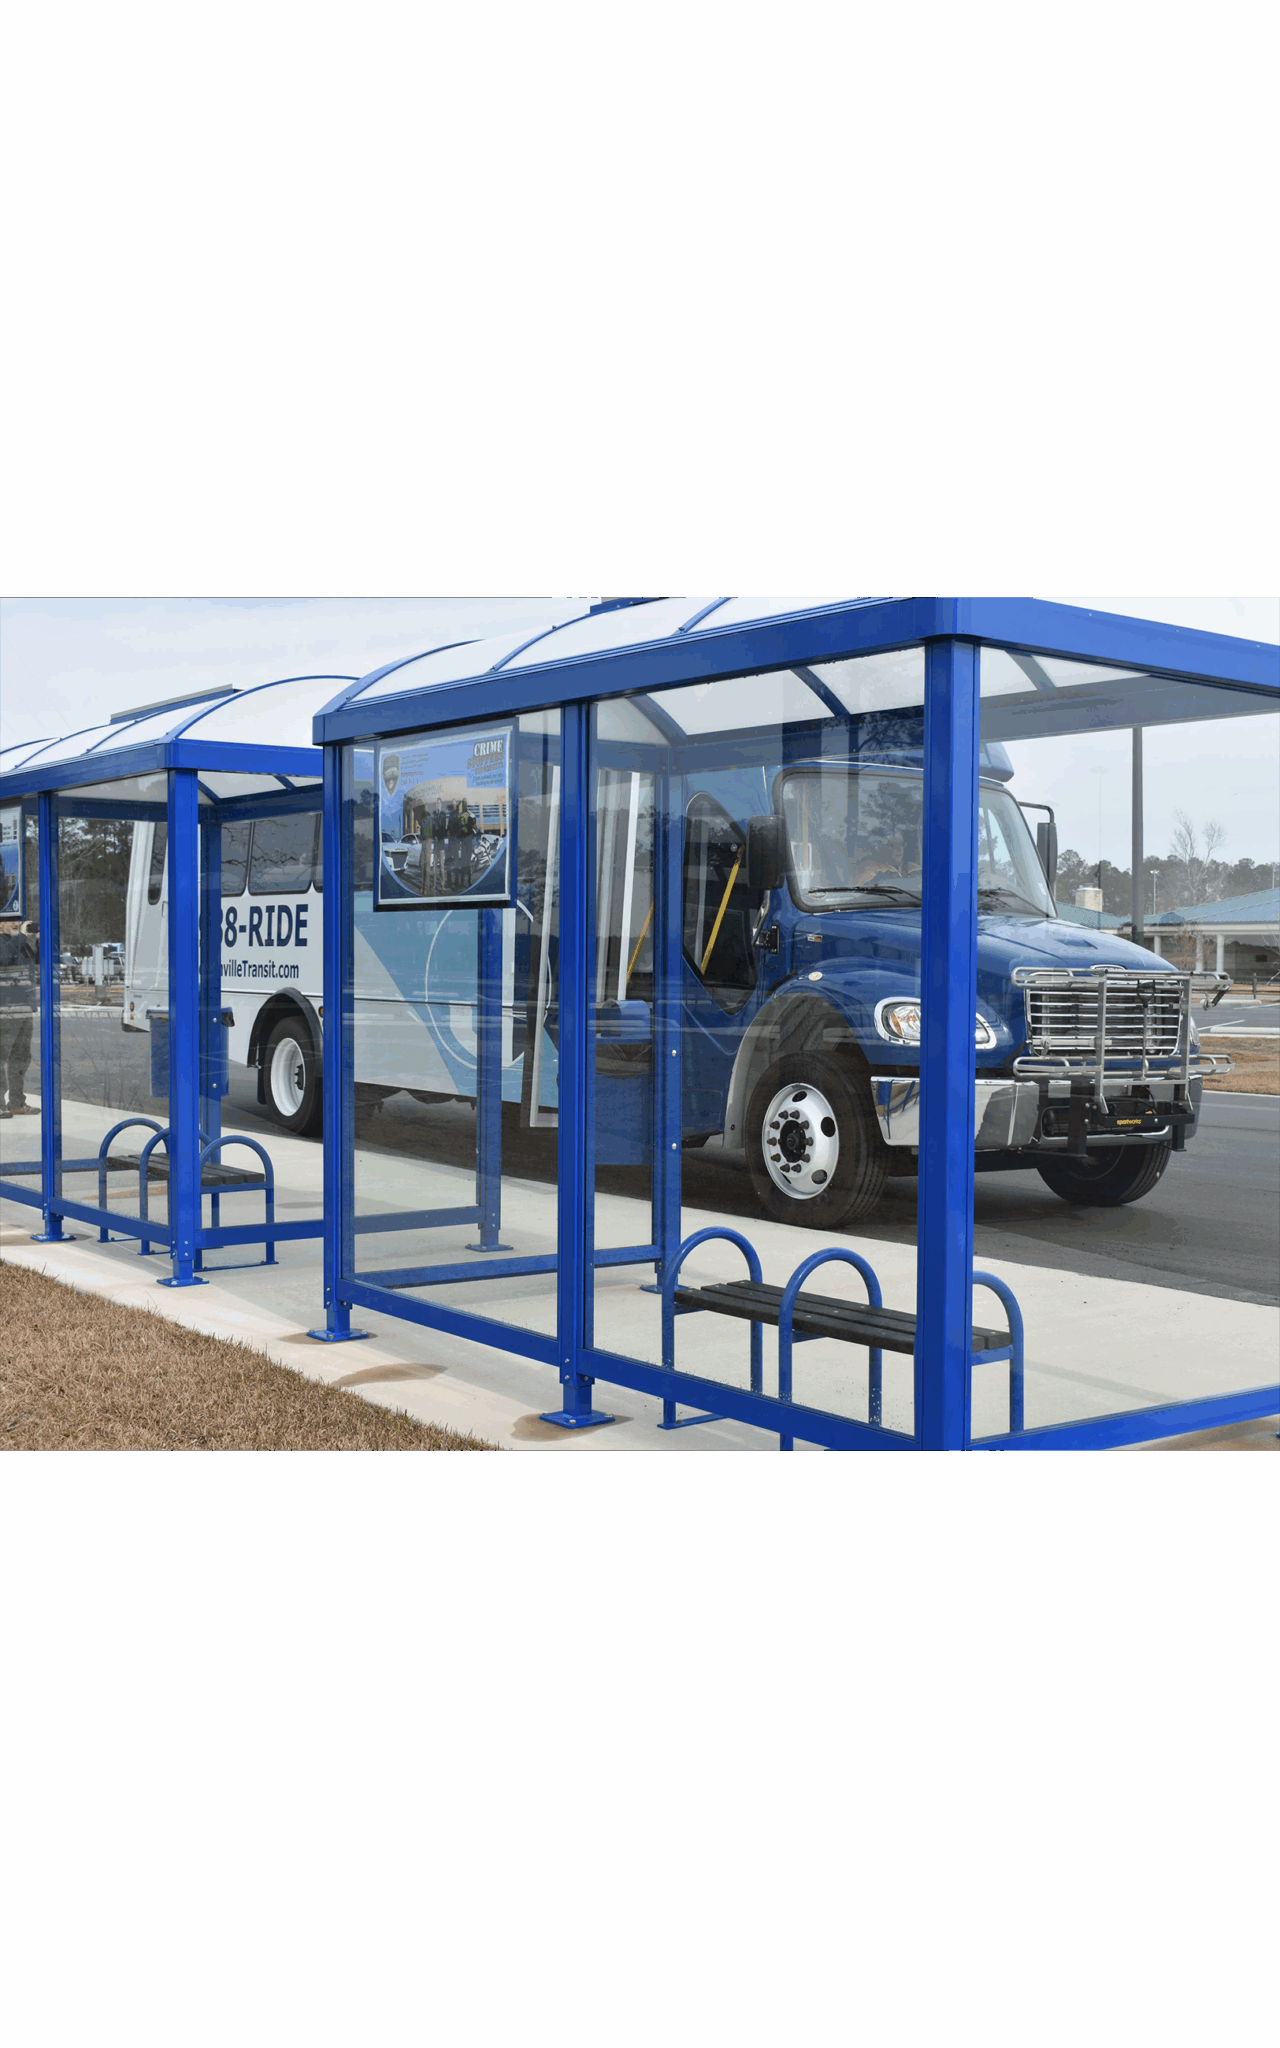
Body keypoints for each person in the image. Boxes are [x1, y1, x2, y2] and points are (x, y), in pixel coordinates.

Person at [0, 918, 39, 1117]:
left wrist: (36, 939)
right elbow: (3, 958)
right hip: (5, 1009)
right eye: (11, 921)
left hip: (24, 1008)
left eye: (18, 920)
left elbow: (37, 961)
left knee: (20, 1059)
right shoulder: (5, 942)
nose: (17, 923)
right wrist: (22, 936)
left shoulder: (20, 942)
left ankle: (17, 1102)